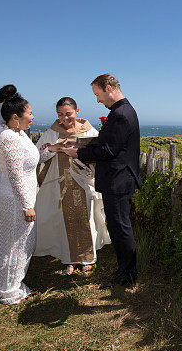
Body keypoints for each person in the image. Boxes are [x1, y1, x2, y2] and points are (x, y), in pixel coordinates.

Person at [60, 74, 140, 289]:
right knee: (118, 226)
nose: (97, 100)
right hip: (118, 178)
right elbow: (111, 143)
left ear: (108, 88)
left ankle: (127, 274)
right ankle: (125, 270)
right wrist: (82, 147)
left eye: (97, 94)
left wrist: (78, 154)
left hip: (119, 179)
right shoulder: (122, 111)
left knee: (120, 227)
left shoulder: (121, 114)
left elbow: (109, 150)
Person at [0, 85, 53, 304]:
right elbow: (15, 176)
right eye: (29, 113)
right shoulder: (9, 139)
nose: (33, 117)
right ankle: (5, 289)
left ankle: (9, 283)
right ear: (15, 116)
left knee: (19, 244)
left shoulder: (18, 134)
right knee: (12, 244)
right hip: (14, 201)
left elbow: (32, 160)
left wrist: (52, 150)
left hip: (21, 199)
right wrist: (25, 206)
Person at [34, 97, 110, 275]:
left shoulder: (89, 131)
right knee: (63, 220)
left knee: (85, 218)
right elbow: (37, 156)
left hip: (83, 182)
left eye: (68, 114)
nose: (64, 118)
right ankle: (68, 259)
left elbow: (98, 155)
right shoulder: (52, 132)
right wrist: (52, 149)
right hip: (58, 183)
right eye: (60, 114)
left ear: (77, 112)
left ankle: (86, 258)